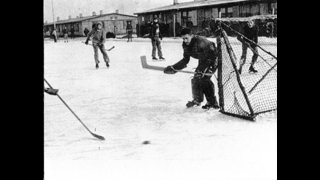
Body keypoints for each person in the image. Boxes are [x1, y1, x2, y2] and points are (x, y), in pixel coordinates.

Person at [163, 27, 219, 109]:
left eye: (186, 38)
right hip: (203, 60)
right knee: (196, 78)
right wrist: (174, 68)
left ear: (191, 36)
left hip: (213, 58)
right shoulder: (185, 45)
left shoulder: (200, 41)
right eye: (183, 38)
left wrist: (204, 70)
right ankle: (197, 99)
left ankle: (212, 103)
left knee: (204, 79)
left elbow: (212, 55)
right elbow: (185, 60)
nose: (185, 41)